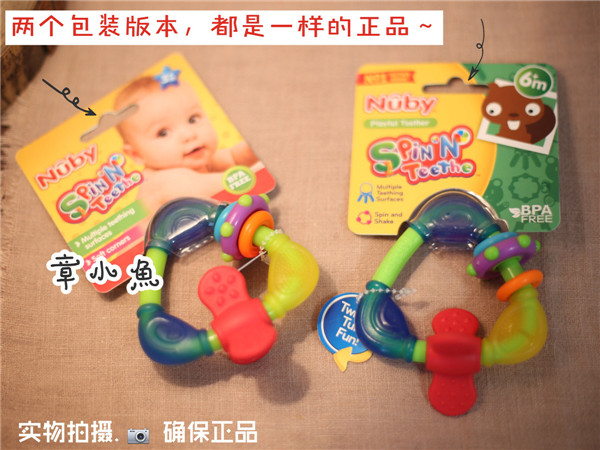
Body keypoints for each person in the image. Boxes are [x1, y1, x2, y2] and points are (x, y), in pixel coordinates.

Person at [114, 76, 259, 214]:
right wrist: (257, 171)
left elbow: (233, 158)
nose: (189, 134)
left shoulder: (193, 161)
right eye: (163, 133)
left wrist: (250, 149)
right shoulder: (163, 181)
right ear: (136, 154)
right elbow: (219, 187)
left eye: (193, 119)